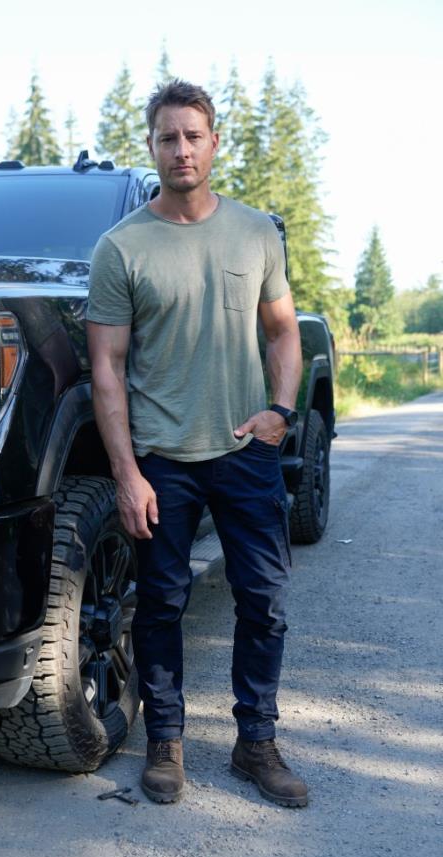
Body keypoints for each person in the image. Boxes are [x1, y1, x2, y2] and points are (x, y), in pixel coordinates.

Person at [86, 79, 308, 808]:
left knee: (264, 599)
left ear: (214, 143)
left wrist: (280, 410)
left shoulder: (255, 233)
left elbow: (282, 333)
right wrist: (126, 474)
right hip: (162, 460)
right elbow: (107, 369)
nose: (180, 149)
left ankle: (257, 742)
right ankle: (167, 742)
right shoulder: (121, 248)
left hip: (245, 449)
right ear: (149, 147)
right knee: (159, 605)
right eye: (167, 137)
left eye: (192, 135)